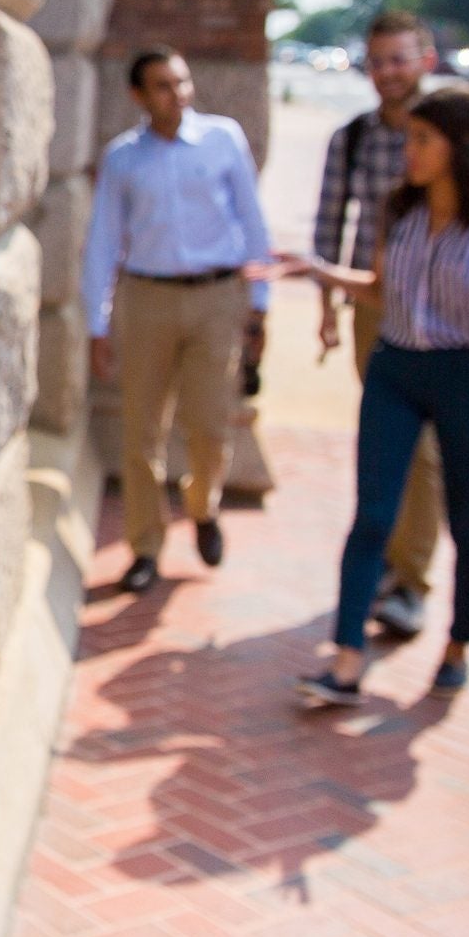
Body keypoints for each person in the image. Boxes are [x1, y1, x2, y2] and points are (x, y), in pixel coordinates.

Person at [269, 86, 469, 704]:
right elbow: (382, 289)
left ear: (460, 146)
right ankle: (344, 662)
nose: (407, 152)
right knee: (372, 517)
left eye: (422, 140)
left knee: (466, 522)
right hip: (397, 370)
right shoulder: (401, 211)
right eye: (407, 139)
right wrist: (317, 270)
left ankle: (457, 646)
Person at [82, 47, 272, 595]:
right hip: (146, 298)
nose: (177, 94)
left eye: (182, 82)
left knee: (211, 425)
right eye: (163, 86)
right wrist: (98, 323)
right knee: (142, 429)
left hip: (215, 298)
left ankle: (202, 504)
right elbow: (102, 243)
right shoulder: (122, 159)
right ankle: (145, 547)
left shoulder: (222, 140)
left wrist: (260, 304)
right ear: (138, 96)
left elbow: (252, 220)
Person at [311, 11, 441, 640]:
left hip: (446, 313)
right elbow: (329, 223)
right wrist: (324, 308)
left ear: (426, 59)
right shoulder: (354, 138)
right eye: (379, 60)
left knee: (427, 447)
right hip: (374, 305)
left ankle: (412, 581)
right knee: (392, 441)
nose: (389, 71)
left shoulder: (455, 130)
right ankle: (393, 567)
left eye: (400, 58)